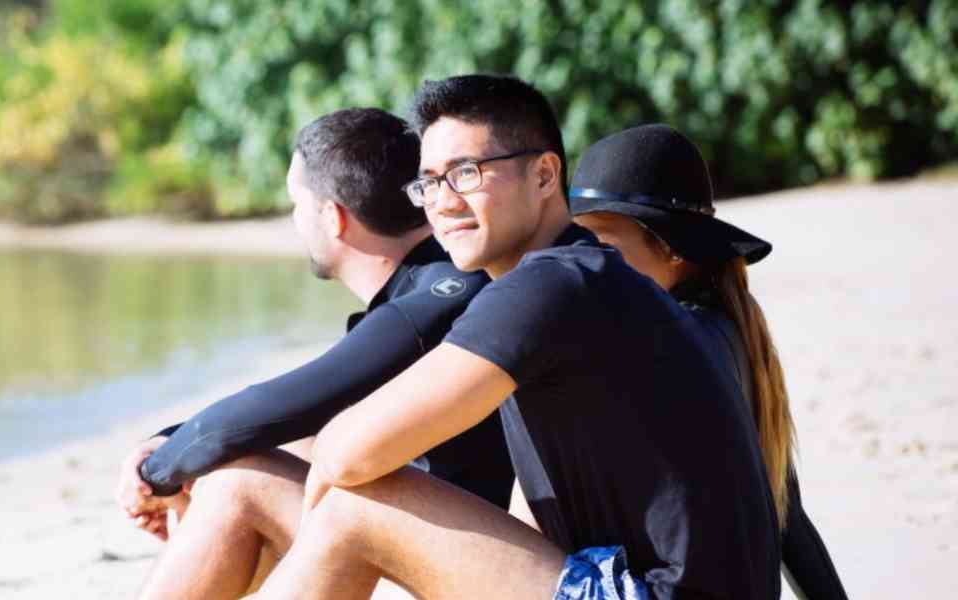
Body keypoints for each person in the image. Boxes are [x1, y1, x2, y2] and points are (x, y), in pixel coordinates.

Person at [251, 74, 778, 600]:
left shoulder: (550, 285)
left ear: (546, 175)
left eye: (465, 173)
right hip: (621, 580)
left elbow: (347, 454)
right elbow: (530, 517)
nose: (443, 201)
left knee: (351, 506)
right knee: (254, 485)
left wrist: (318, 487)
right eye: (429, 182)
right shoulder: (585, 283)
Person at [116, 108, 512, 599]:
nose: (294, 221)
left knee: (237, 480)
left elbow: (290, 401)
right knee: (251, 462)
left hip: (485, 566)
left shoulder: (439, 295)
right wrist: (179, 464)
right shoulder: (435, 285)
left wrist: (156, 469)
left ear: (332, 216)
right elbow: (298, 419)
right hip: (455, 544)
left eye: (295, 203)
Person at [568, 123, 846, 600]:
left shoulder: (673, 344)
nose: (581, 261)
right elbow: (788, 516)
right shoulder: (729, 330)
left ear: (674, 248)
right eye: (576, 242)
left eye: (604, 247)